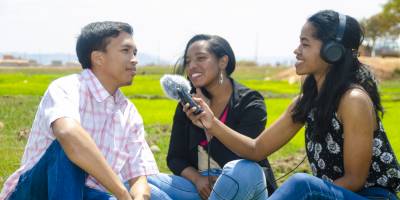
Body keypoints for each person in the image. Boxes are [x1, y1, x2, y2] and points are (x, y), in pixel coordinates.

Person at [184, 10, 400, 199]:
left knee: (302, 184)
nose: (296, 50)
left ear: (332, 51)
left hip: (371, 197)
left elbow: (355, 180)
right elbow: (256, 149)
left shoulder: (353, 100)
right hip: (327, 195)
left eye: (305, 44)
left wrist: (308, 195)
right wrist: (211, 123)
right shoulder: (308, 101)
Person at [0, 21, 159, 200]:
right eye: (126, 51)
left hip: (87, 194)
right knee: (68, 146)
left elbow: (138, 176)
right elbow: (68, 133)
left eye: (135, 52)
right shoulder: (67, 87)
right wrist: (121, 192)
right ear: (98, 58)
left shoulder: (129, 112)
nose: (134, 59)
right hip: (36, 191)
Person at [147, 34, 277, 200]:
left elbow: (244, 158)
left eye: (201, 58)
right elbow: (175, 157)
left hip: (241, 187)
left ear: (223, 61)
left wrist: (210, 126)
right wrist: (197, 179)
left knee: (242, 170)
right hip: (202, 188)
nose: (192, 66)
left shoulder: (250, 102)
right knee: (143, 183)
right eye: (188, 61)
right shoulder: (188, 104)